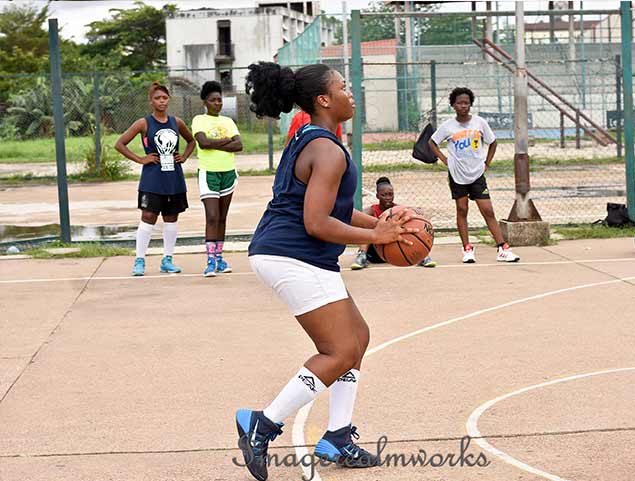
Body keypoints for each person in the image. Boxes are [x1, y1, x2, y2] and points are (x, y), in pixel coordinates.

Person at [237, 61, 415, 480]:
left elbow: (333, 208)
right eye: (342, 87)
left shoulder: (314, 138)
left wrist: (378, 223)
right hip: (291, 253)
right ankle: (262, 424)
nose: (350, 92)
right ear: (323, 100)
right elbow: (317, 221)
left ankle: (336, 437)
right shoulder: (327, 149)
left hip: (299, 252)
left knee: (357, 338)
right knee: (338, 351)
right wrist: (378, 239)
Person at [428, 87, 519, 264]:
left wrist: (487, 163)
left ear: (471, 105)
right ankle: (467, 249)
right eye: (460, 103)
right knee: (462, 210)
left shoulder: (479, 123)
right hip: (457, 174)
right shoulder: (448, 126)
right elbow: (432, 142)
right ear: (453, 105)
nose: (463, 106)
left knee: (488, 210)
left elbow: (493, 142)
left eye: (466, 103)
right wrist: (445, 159)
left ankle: (503, 248)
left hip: (477, 174)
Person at [115, 82, 195, 276]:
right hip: (152, 179)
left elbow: (191, 141)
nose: (162, 101)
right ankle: (139, 260)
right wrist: (141, 159)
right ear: (151, 101)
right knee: (148, 217)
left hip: (173, 178)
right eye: (158, 98)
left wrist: (183, 157)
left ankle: (167, 260)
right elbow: (120, 144)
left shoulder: (177, 122)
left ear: (169, 100)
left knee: (171, 218)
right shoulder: (143, 123)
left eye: (165, 98)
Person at [191, 81, 244, 277]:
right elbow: (203, 143)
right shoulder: (199, 120)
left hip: (228, 172)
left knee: (222, 217)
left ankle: (220, 258)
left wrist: (216, 144)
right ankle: (210, 261)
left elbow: (239, 146)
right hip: (209, 172)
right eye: (213, 100)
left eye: (220, 100)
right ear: (205, 102)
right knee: (212, 216)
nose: (217, 103)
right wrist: (226, 141)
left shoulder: (228, 122)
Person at [351, 176, 436, 269]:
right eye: (384, 195)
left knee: (410, 224)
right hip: (376, 251)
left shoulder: (399, 210)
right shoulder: (371, 210)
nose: (388, 198)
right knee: (367, 225)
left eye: (390, 194)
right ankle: (362, 255)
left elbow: (415, 215)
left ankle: (422, 256)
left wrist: (418, 212)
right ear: (377, 196)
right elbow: (359, 221)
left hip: (395, 250)